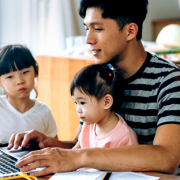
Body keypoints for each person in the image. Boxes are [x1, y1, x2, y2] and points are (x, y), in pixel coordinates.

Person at [7, 0, 180, 177]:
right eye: (87, 28)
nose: (88, 40)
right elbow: (81, 145)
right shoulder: (99, 78)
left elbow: (167, 158)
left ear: (130, 31)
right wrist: (48, 144)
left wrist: (79, 156)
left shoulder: (171, 80)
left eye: (97, 29)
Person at [71, 64, 138, 149]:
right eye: (76, 103)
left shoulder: (124, 137)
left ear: (106, 102)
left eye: (82, 103)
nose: (78, 110)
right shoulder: (88, 125)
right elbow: (75, 153)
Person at [0, 44, 58, 141]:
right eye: (10, 77)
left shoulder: (43, 111)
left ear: (36, 71)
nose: (20, 81)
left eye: (25, 72)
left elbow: (54, 147)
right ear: (0, 83)